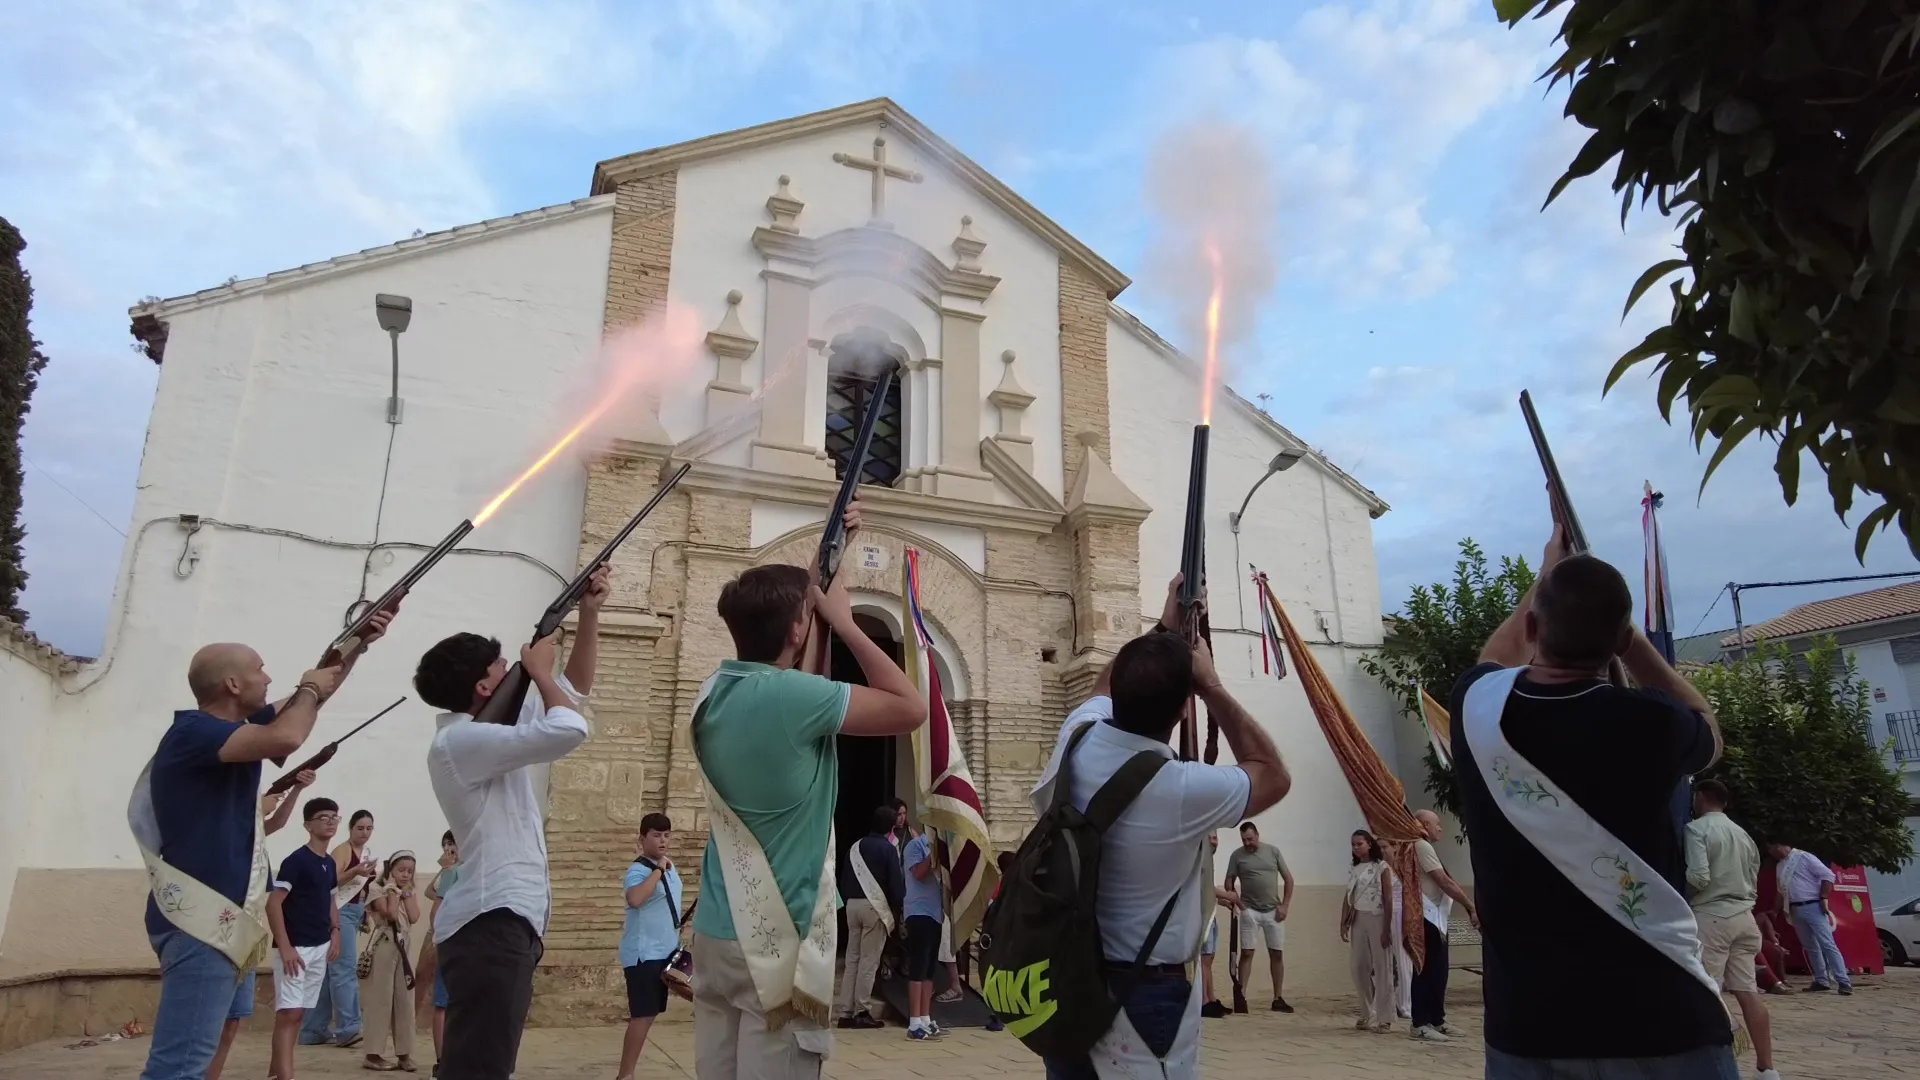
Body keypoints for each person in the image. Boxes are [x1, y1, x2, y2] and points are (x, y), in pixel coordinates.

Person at [1451, 523, 1735, 1079]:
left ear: (1535, 624)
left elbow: (1494, 655)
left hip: (1530, 1025)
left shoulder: (1477, 709)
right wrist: (1634, 643)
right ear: (1616, 639)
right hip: (1662, 1015)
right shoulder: (1653, 723)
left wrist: (1544, 574)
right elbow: (1711, 731)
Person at [690, 498, 928, 1079]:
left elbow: (803, 681)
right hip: (777, 947)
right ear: (800, 626)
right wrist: (844, 619)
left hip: (717, 936)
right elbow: (910, 707)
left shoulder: (711, 693)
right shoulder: (792, 699)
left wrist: (826, 569)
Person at [1028, 576, 1290, 1079]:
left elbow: (1105, 684)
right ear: (1181, 710)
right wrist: (1210, 683)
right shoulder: (1178, 787)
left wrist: (1163, 628)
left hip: (1067, 974)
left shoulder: (1076, 737)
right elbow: (1273, 774)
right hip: (1143, 990)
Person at [134, 614, 388, 1080]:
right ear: (232, 683)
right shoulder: (195, 733)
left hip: (233, 921)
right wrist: (309, 687)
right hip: (203, 921)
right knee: (178, 1065)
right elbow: (289, 733)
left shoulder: (229, 732)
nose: (269, 677)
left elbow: (308, 702)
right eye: (259, 669)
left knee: (221, 1035)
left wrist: (358, 645)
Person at [419, 565, 610, 1080]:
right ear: (484, 686)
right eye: (507, 670)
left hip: (500, 920)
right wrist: (540, 671)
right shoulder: (462, 742)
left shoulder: (479, 737)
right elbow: (570, 728)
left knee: (478, 1062)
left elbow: (573, 696)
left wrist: (588, 614)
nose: (516, 675)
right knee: (481, 1067)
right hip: (491, 921)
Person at [206, 768, 316, 1080]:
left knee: (232, 1022)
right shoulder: (222, 830)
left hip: (247, 935)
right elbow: (227, 830)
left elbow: (277, 822)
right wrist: (256, 808)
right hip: (219, 932)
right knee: (210, 1023)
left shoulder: (252, 835)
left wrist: (294, 789)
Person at [1686, 780, 1779, 1080]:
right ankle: (1767, 1069)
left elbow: (1699, 877)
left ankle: (1714, 1066)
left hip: (1711, 916)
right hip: (1744, 917)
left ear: (1700, 797)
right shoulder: (1744, 835)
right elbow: (1752, 881)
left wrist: (1679, 899)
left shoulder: (1696, 829)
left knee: (1706, 994)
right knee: (1748, 992)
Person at [264, 797, 342, 1080]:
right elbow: (273, 904)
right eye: (324, 817)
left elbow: (332, 900)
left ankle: (276, 1073)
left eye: (334, 816)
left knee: (297, 1015)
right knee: (289, 1013)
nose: (331, 821)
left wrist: (335, 933)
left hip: (320, 945)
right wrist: (285, 947)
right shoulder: (295, 861)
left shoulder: (330, 864)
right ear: (308, 825)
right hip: (295, 948)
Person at [303, 808, 378, 1047]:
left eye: (369, 828)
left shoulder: (365, 852)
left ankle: (313, 1029)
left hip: (354, 912)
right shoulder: (343, 851)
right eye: (360, 828)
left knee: (328, 973)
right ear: (351, 828)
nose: (364, 833)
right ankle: (349, 1027)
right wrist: (356, 871)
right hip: (339, 912)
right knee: (344, 969)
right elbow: (328, 881)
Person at [618, 813, 685, 1080]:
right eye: (656, 835)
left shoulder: (670, 866)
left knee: (650, 1014)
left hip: (665, 953)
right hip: (643, 955)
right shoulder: (638, 870)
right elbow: (635, 899)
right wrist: (657, 871)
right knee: (642, 1016)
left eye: (666, 835)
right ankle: (625, 1075)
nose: (663, 840)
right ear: (642, 839)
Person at [1408, 808, 1474, 1043]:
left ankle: (1437, 1019)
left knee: (1439, 971)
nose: (1440, 828)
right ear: (1424, 824)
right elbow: (1443, 880)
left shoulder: (1424, 846)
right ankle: (1419, 1023)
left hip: (1436, 917)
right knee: (1425, 971)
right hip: (1426, 916)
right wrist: (1470, 906)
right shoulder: (1421, 846)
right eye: (1437, 824)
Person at [837, 805, 902, 1031]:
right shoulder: (887, 849)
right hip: (874, 907)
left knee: (852, 960)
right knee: (869, 961)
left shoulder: (855, 847)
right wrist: (899, 910)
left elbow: (843, 879)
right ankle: (862, 1011)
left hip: (852, 905)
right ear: (891, 826)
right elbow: (895, 885)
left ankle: (845, 1011)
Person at [1223, 821, 1293, 1013]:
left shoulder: (1273, 852)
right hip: (1249, 911)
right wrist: (1239, 905)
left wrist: (1285, 905)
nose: (1247, 843)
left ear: (1257, 835)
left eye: (1250, 839)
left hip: (1273, 911)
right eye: (1244, 840)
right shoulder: (1237, 856)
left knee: (1276, 953)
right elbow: (1229, 881)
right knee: (1246, 953)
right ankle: (1241, 996)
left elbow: (1288, 878)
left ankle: (1278, 998)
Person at [359, 851, 419, 1071]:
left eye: (410, 871)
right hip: (385, 943)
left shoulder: (408, 890)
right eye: (401, 870)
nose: (405, 875)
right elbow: (390, 915)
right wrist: (393, 892)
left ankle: (404, 1054)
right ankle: (373, 1054)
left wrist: (407, 893)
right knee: (380, 999)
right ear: (391, 869)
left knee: (405, 1000)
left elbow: (413, 917)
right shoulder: (377, 888)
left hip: (404, 947)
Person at [1770, 840, 1852, 996]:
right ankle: (1821, 980)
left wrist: (1823, 897)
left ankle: (1843, 980)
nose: (1771, 853)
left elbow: (1828, 875)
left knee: (1827, 944)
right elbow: (1781, 891)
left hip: (1813, 905)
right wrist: (1775, 910)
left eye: (1772, 848)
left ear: (1779, 845)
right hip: (1795, 908)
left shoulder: (1804, 857)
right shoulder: (1780, 866)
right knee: (1810, 946)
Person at [1340, 829, 1396, 1034]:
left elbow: (1388, 898)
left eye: (1359, 844)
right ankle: (1367, 1011)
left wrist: (1386, 928)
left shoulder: (1381, 867)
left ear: (1369, 844)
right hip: (1358, 919)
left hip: (1377, 917)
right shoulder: (1354, 868)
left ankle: (1385, 1016)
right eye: (1353, 845)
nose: (1356, 848)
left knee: (1382, 967)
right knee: (1358, 966)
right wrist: (1343, 921)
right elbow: (1348, 895)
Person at [902, 823, 947, 1040]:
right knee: (918, 967)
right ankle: (914, 1022)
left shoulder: (939, 848)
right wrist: (933, 856)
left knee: (930, 968)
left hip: (935, 913)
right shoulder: (914, 846)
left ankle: (926, 1018)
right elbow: (919, 873)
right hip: (918, 911)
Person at [421, 831, 460, 1078]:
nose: (449, 848)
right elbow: (433, 902)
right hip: (450, 940)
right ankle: (442, 1059)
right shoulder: (450, 872)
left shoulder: (461, 870)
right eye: (446, 844)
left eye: (452, 843)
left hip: (455, 940)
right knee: (442, 1001)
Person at [1198, 833, 1233, 1019]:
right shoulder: (1199, 857)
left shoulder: (1209, 860)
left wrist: (1221, 901)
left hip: (1211, 914)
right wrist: (1229, 896)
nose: (1214, 841)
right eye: (1211, 837)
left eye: (1216, 837)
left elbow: (1207, 891)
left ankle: (1211, 998)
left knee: (1209, 959)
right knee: (1204, 960)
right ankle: (1204, 1000)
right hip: (1202, 917)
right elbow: (1203, 886)